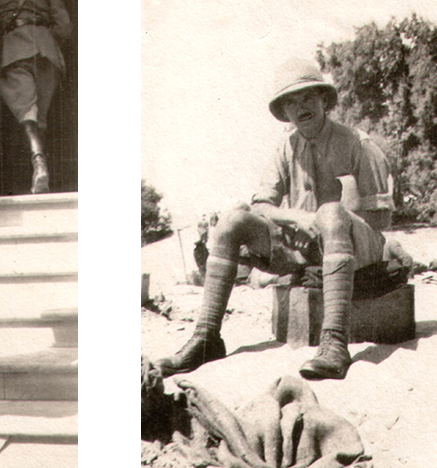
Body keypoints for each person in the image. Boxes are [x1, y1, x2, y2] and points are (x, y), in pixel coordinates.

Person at [156, 58, 394, 382]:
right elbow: (262, 205)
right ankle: (206, 337)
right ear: (285, 111)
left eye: (308, 97)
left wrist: (331, 220)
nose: (301, 107)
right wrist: (296, 218)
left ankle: (335, 343)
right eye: (291, 102)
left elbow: (381, 219)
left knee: (331, 212)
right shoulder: (286, 147)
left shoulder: (358, 143)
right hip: (305, 249)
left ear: (324, 100)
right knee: (230, 222)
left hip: (358, 247)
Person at [0, 0, 72, 194]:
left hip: (14, 51)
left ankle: (38, 160)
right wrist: (46, 39)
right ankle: (40, 161)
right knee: (41, 114)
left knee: (27, 111)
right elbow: (64, 26)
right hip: (46, 51)